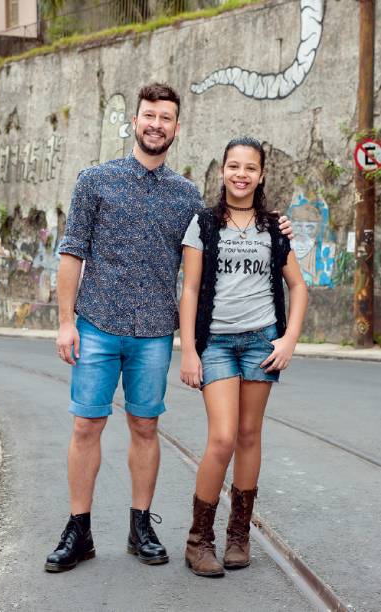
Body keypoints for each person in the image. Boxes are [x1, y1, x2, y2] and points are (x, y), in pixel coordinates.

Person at [44, 85, 294, 573]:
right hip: (96, 324)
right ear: (134, 121)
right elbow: (72, 251)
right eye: (149, 116)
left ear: (176, 129)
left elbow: (223, 237)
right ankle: (79, 529)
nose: (156, 124)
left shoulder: (186, 197)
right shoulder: (94, 180)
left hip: (155, 332)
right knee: (85, 425)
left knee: (145, 425)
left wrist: (277, 225)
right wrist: (65, 322)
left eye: (166, 118)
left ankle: (141, 526)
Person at [179, 136, 308, 577]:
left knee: (250, 434)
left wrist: (288, 339)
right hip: (215, 343)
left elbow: (298, 286)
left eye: (249, 168)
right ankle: (200, 540)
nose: (241, 174)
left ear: (261, 174)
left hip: (260, 342)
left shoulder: (274, 226)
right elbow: (191, 289)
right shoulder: (203, 224)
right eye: (233, 166)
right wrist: (190, 351)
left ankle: (238, 535)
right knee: (222, 438)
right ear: (222, 172)